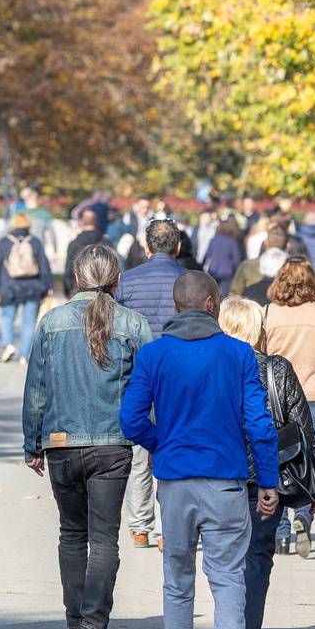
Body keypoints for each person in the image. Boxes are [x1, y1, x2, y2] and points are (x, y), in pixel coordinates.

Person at [120, 271, 279, 629]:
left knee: (177, 579)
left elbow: (131, 420)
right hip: (227, 482)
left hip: (175, 484)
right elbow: (259, 425)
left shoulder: (154, 355)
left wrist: (162, 444)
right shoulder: (239, 354)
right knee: (228, 575)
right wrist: (267, 480)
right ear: (213, 304)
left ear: (176, 307)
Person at [23, 243, 151, 629]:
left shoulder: (52, 322)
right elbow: (149, 386)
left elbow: (37, 388)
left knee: (72, 534)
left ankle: (76, 624)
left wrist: (33, 443)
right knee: (105, 538)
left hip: (62, 442)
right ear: (117, 278)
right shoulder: (133, 324)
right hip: (113, 443)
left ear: (78, 277)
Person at [216, 296, 314, 629]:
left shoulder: (213, 366)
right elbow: (302, 428)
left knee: (225, 557)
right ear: (258, 330)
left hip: (221, 476)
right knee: (258, 557)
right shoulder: (277, 370)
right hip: (267, 480)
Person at [261, 258, 315, 558]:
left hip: (275, 396)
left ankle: (281, 533)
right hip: (312, 397)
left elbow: (260, 352)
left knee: (277, 460)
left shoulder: (269, 313)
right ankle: (303, 516)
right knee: (306, 461)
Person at [116, 218, 187, 550]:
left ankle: (140, 524)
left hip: (138, 376)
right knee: (172, 450)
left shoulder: (127, 282)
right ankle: (165, 528)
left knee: (140, 451)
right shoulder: (188, 282)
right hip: (179, 378)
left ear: (146, 248)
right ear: (178, 246)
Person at [0, 212, 51, 363]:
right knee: (29, 321)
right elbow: (44, 265)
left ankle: (8, 345)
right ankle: (24, 355)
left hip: (9, 286)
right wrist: (46, 285)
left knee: (7, 317)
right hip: (33, 287)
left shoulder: (5, 242)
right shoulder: (35, 241)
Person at [231, 225, 289, 300]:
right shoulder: (293, 268)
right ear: (288, 245)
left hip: (251, 308)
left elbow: (234, 294)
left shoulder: (247, 265)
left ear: (265, 242)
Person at [62, 209, 109, 297]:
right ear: (96, 222)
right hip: (103, 292)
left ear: (82, 222)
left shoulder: (74, 244)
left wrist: (68, 291)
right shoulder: (106, 243)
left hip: (78, 291)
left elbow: (69, 269)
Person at [202, 220, 244, 297]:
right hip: (227, 271)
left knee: (213, 294)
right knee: (225, 295)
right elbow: (237, 259)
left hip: (213, 270)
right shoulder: (232, 241)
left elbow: (208, 255)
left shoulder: (214, 240)